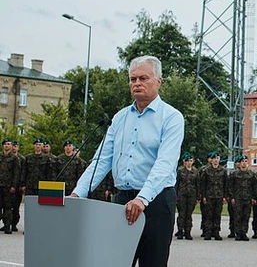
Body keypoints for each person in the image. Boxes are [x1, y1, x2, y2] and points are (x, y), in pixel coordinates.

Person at [72, 55, 184, 267]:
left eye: (143, 78)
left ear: (158, 81)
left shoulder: (171, 117)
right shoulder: (120, 118)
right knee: (116, 262)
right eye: (133, 79)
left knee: (153, 263)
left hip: (156, 202)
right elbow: (102, 159)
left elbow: (165, 163)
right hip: (123, 201)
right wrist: (78, 193)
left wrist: (142, 199)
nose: (137, 83)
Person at [228, 155, 257, 241]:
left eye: (245, 161)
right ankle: (238, 233)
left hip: (248, 198)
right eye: (242, 161)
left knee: (246, 216)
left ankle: (244, 232)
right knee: (238, 216)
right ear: (240, 163)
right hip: (238, 198)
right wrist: (232, 197)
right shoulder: (234, 174)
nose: (244, 163)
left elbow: (254, 187)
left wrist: (253, 197)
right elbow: (230, 186)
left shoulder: (251, 174)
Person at [199, 150, 227, 240]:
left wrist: (224, 196)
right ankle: (207, 232)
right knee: (208, 214)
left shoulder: (223, 171)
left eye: (217, 158)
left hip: (219, 196)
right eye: (214, 158)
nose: (216, 160)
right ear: (211, 160)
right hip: (209, 196)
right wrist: (203, 196)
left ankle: (216, 232)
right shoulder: (206, 170)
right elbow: (203, 184)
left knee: (217, 215)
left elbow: (225, 184)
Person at [0, 138, 19, 234]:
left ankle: (7, 226)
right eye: (5, 144)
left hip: (8, 186)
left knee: (8, 207)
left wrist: (14, 186)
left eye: (8, 144)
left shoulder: (14, 158)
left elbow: (16, 173)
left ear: (11, 146)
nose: (7, 146)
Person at [10, 140, 25, 232]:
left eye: (16, 146)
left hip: (18, 186)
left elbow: (23, 172)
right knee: (7, 205)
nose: (14, 148)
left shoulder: (22, 159)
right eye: (13, 146)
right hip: (7, 184)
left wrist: (22, 184)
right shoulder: (6, 157)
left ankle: (14, 224)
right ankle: (7, 223)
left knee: (16, 206)